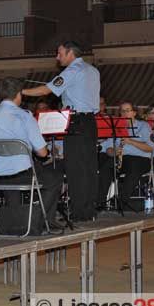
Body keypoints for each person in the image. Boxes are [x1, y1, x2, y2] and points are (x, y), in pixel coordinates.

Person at [21, 41, 100, 221]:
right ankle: (88, 211)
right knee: (89, 167)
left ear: (70, 53)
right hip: (90, 122)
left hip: (76, 122)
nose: (57, 57)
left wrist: (20, 92)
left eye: (60, 53)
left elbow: (46, 89)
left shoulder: (72, 70)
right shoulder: (93, 70)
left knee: (75, 169)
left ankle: (79, 213)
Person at [0, 78, 63, 231]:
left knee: (11, 179)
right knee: (55, 178)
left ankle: (16, 221)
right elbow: (42, 152)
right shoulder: (24, 116)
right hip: (22, 173)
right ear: (19, 94)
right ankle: (42, 219)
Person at [97, 101, 153, 210]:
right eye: (122, 111)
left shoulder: (144, 126)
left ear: (134, 113)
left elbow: (150, 148)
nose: (125, 113)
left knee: (134, 167)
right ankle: (100, 202)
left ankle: (121, 201)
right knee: (106, 166)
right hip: (121, 158)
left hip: (141, 159)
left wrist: (130, 141)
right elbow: (106, 148)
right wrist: (113, 151)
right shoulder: (115, 126)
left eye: (128, 110)